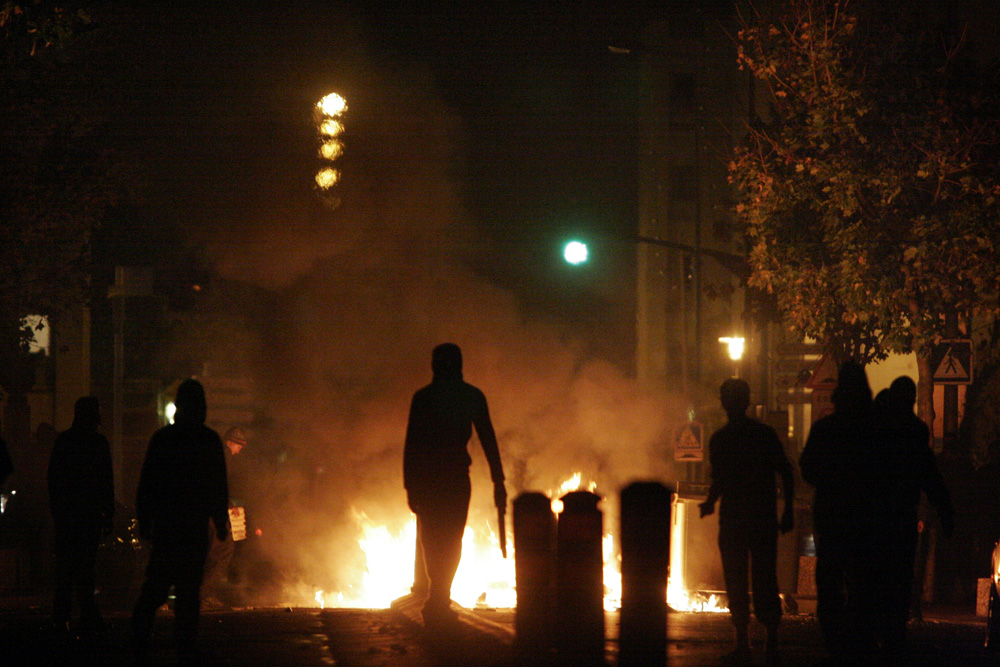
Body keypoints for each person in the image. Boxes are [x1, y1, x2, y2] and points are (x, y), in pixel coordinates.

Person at [404, 343, 506, 629]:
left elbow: (412, 445)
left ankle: (438, 595)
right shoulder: (471, 396)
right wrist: (499, 480)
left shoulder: (424, 398)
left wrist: (410, 485)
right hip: (455, 478)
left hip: (430, 480)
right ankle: (440, 595)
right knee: (451, 537)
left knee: (433, 538)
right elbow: (489, 441)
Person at [131, 379, 229, 664]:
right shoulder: (207, 440)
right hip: (190, 527)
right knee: (185, 590)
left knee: (160, 586)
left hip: (170, 527)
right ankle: (182, 647)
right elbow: (217, 484)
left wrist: (145, 518)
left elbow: (146, 483)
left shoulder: (164, 439)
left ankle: (143, 643)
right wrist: (219, 520)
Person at [699, 378, 795, 666]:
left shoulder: (722, 439)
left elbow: (721, 480)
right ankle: (769, 644)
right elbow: (785, 472)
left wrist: (711, 502)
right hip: (759, 517)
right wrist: (787, 509)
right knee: (763, 576)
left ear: (726, 402)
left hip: (737, 519)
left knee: (738, 579)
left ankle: (745, 643)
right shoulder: (762, 435)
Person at [800, 360, 881, 664]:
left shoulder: (826, 429)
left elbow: (808, 468)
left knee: (830, 584)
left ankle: (836, 645)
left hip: (833, 519)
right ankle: (863, 643)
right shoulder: (877, 430)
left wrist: (831, 479)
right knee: (865, 583)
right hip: (868, 520)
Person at [874, 376, 953, 657]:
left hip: (880, 518)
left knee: (881, 575)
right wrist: (943, 508)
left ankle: (880, 632)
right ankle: (894, 633)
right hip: (902, 517)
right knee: (901, 574)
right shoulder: (914, 432)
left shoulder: (879, 431)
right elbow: (928, 475)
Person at [47, 397, 114, 638]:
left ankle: (63, 617)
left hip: (69, 516)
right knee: (85, 566)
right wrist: (108, 514)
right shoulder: (98, 443)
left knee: (67, 568)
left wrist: (58, 512)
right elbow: (106, 482)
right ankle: (86, 616)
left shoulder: (65, 441)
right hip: (88, 516)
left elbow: (54, 480)